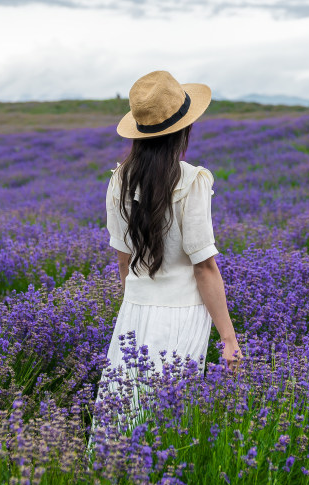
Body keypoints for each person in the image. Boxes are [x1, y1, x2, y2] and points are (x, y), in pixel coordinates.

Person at [91, 70, 243, 441]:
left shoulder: (119, 180)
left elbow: (123, 260)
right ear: (182, 130)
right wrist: (228, 339)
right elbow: (205, 267)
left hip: (135, 312)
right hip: (184, 314)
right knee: (170, 421)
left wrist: (140, 299)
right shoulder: (192, 181)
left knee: (122, 415)